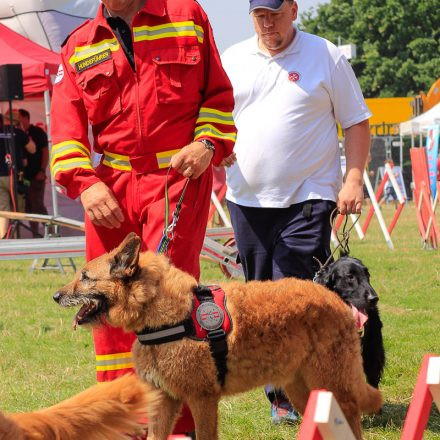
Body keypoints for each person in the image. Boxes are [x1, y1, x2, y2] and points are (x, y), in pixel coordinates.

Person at [50, 0, 236, 436]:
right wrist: (85, 182)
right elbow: (65, 129)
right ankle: (123, 425)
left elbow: (218, 96)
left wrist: (207, 142)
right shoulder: (79, 43)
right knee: (106, 303)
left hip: (177, 175)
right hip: (108, 187)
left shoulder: (187, 15)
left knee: (170, 303)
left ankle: (178, 428)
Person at [221, 0, 371, 424]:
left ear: (294, 9)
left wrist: (354, 178)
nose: (268, 24)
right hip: (246, 199)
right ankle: (282, 393)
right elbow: (213, 117)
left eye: (275, 13)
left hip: (309, 195)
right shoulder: (232, 59)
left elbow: (357, 121)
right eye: (259, 16)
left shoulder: (325, 55)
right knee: (259, 300)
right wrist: (215, 145)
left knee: (295, 294)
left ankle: (301, 398)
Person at [0, 113, 36, 238]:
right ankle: (15, 239)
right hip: (14, 176)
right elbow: (33, 149)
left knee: (3, 211)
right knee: (17, 210)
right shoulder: (18, 133)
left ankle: (4, 241)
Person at [18, 109, 49, 237]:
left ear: (26, 118)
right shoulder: (17, 133)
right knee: (29, 207)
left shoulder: (38, 132)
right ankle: (35, 234)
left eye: (19, 117)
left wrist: (42, 170)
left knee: (37, 205)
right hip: (23, 177)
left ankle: (51, 230)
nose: (17, 121)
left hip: (37, 175)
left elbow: (45, 152)